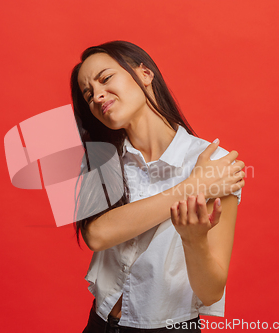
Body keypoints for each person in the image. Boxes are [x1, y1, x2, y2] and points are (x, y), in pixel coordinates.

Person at [70, 41, 246, 332]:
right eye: (89, 95)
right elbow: (97, 234)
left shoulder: (215, 164)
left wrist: (194, 240)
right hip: (99, 323)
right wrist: (193, 186)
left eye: (105, 78)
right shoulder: (101, 158)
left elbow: (211, 292)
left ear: (145, 74)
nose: (97, 95)